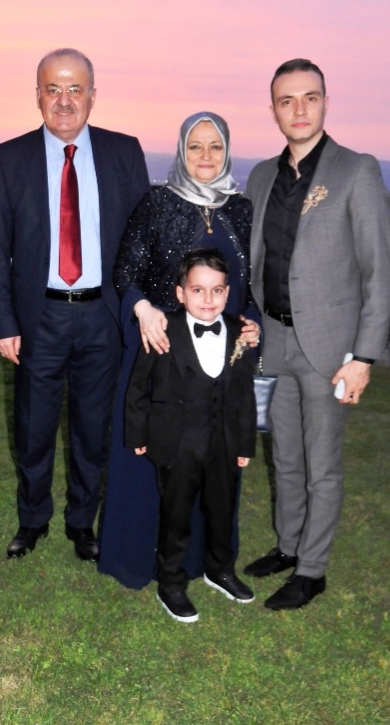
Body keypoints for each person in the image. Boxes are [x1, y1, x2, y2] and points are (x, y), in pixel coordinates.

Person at [0, 48, 150, 562]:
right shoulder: (10, 158)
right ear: (37, 96)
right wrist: (3, 323)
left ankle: (82, 523)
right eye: (52, 89)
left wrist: (140, 309)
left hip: (104, 316)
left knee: (92, 429)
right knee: (33, 427)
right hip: (40, 318)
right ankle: (32, 519)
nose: (64, 100)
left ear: (93, 96)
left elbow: (142, 243)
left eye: (75, 89)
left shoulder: (124, 153)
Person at [243, 58, 390, 609]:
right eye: (287, 100)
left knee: (321, 464)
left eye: (310, 97)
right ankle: (288, 546)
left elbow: (379, 272)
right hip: (275, 342)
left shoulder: (356, 170)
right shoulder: (261, 176)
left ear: (326, 102)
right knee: (284, 455)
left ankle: (312, 569)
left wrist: (364, 356)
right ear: (274, 110)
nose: (299, 109)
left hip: (331, 348)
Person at [98, 111, 260, 589]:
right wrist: (143, 309)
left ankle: (211, 564)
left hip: (219, 363)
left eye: (215, 146)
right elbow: (126, 273)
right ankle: (141, 559)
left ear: (227, 151)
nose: (205, 155)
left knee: (215, 464)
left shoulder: (241, 209)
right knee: (154, 461)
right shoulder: (157, 202)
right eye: (195, 146)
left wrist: (252, 326)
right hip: (162, 354)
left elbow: (249, 287)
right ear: (181, 150)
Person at [125, 248, 256, 622]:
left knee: (222, 510)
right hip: (177, 443)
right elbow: (138, 387)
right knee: (176, 515)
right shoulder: (162, 328)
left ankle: (220, 569)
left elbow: (244, 394)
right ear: (181, 293)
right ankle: (170, 583)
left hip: (223, 443)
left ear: (227, 293)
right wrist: (138, 434)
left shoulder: (239, 332)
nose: (208, 299)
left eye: (217, 290)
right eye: (198, 290)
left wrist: (244, 443)